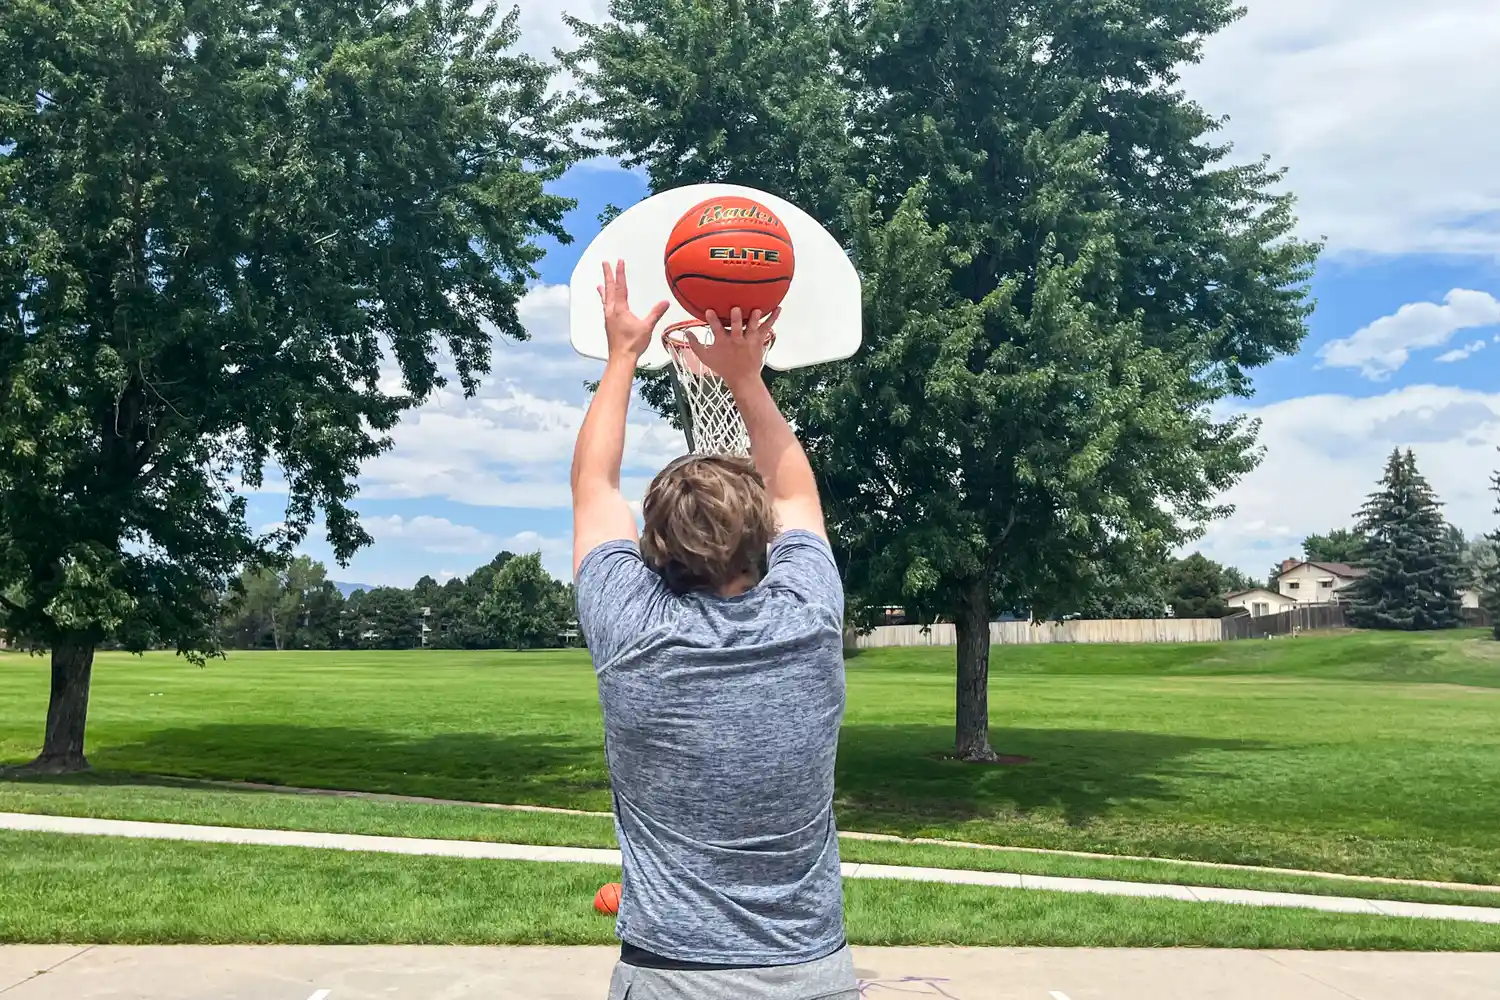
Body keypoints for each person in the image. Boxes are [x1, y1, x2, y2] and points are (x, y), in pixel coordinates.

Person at [572, 261, 856, 1000]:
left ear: (652, 548)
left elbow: (594, 489)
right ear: (765, 540)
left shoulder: (631, 628)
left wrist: (624, 355)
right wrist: (745, 376)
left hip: (670, 977)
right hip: (811, 974)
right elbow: (794, 484)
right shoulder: (809, 614)